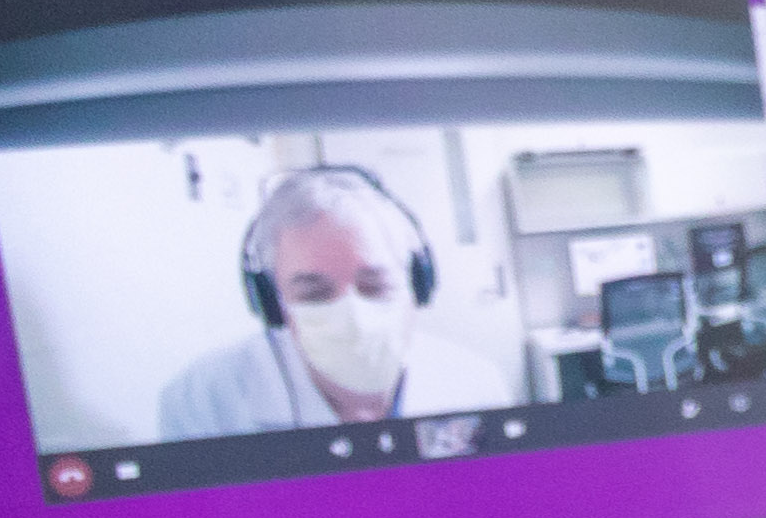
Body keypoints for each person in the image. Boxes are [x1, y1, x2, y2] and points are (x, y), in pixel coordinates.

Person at [147, 162, 525, 440]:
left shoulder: (476, 383)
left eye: (375, 285)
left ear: (417, 287)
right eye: (313, 293)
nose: (354, 316)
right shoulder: (202, 401)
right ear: (274, 304)